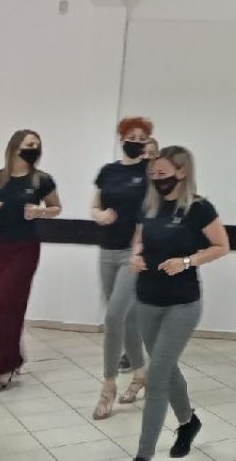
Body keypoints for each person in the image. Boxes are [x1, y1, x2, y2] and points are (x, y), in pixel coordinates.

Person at [130, 145, 229, 461]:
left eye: (163, 173)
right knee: (167, 368)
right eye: (153, 173)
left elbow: (221, 246)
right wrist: (135, 256)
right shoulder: (149, 206)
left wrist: (187, 261)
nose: (157, 178)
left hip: (182, 304)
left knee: (157, 377)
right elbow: (139, 241)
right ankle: (189, 422)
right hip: (147, 299)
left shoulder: (199, 208)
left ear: (182, 172)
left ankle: (143, 455)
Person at [0, 129, 61, 391]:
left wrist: (40, 211)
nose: (33, 149)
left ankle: (5, 367)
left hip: (24, 249)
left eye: (37, 145)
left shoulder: (41, 179)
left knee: (6, 304)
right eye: (28, 144)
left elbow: (56, 208)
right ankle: (10, 357)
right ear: (14, 147)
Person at [91, 116, 154, 419]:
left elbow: (150, 212)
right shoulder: (108, 171)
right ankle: (141, 374)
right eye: (132, 137)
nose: (137, 142)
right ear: (121, 138)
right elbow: (94, 206)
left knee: (114, 315)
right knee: (126, 320)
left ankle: (108, 385)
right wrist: (100, 215)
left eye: (143, 138)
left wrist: (139, 246)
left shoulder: (149, 173)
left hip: (134, 253)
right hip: (107, 250)